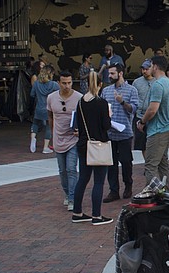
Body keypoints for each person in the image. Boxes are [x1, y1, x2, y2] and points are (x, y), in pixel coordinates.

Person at [71, 71, 114, 225]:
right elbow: (106, 126)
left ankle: (77, 212)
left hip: (83, 145)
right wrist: (109, 115)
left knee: (82, 179)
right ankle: (97, 215)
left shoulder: (81, 102)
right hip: (99, 145)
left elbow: (79, 125)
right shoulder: (101, 103)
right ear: (100, 85)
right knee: (98, 182)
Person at [137, 55, 169, 194]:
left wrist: (142, 121)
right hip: (167, 127)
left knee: (150, 166)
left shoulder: (158, 85)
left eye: (151, 65)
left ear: (155, 66)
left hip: (157, 129)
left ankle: (155, 195)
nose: (149, 68)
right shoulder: (168, 83)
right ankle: (167, 195)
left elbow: (152, 109)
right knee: (163, 165)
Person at [101, 63, 138, 202]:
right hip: (110, 133)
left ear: (120, 73)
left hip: (125, 133)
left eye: (112, 73)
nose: (109, 76)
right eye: (109, 74)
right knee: (111, 163)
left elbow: (133, 109)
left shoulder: (131, 90)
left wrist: (122, 102)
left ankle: (128, 184)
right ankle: (113, 190)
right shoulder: (106, 90)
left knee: (126, 161)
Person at [47, 70, 82, 211]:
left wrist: (80, 131)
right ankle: (68, 194)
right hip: (58, 138)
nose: (67, 86)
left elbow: (83, 118)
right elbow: (50, 116)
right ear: (58, 83)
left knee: (71, 168)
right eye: (64, 83)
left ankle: (73, 197)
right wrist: (52, 133)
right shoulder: (51, 97)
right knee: (62, 171)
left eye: (69, 83)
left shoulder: (79, 97)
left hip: (73, 138)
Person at [29, 64, 58, 154]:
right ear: (50, 74)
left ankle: (33, 138)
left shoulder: (37, 83)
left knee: (35, 123)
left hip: (38, 107)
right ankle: (45, 147)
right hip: (49, 109)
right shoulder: (54, 84)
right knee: (49, 127)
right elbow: (59, 95)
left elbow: (32, 94)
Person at [132, 59, 154, 154]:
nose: (144, 71)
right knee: (142, 144)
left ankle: (152, 165)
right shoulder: (136, 82)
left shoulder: (157, 81)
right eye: (143, 69)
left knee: (153, 143)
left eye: (147, 69)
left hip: (153, 116)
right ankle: (147, 164)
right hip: (139, 115)